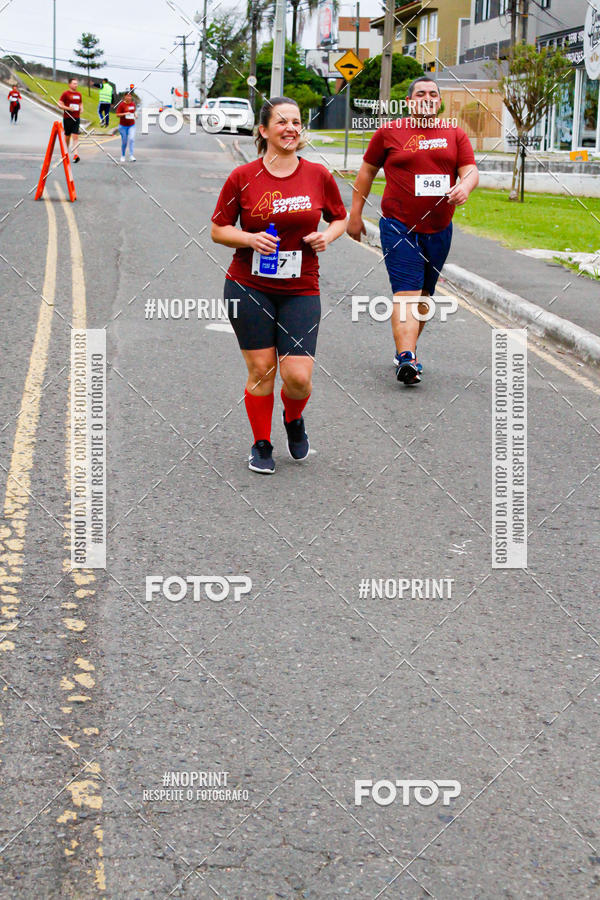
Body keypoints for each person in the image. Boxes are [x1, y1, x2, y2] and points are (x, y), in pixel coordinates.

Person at [211, 96, 347, 474]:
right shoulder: (243, 176)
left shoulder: (318, 175)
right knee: (262, 370)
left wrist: (328, 237)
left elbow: (340, 217)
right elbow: (218, 230)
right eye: (282, 121)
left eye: (297, 122)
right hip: (248, 285)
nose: (291, 128)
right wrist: (249, 239)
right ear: (264, 130)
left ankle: (293, 417)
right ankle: (261, 443)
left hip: (301, 287)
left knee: (298, 378)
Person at [347, 76, 479, 385]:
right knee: (406, 292)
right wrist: (355, 214)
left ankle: (407, 350)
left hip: (439, 229)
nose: (428, 97)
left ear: (439, 101)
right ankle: (406, 358)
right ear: (409, 101)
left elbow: (470, 170)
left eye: (433, 93)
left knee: (424, 296)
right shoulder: (389, 132)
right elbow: (367, 170)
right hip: (398, 225)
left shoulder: (454, 134)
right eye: (421, 93)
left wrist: (466, 187)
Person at [57, 77, 83, 163]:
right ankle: (65, 153)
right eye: (74, 83)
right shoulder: (65, 94)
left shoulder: (79, 94)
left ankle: (76, 155)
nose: (76, 85)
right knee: (67, 137)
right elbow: (59, 104)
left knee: (75, 136)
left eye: (76, 83)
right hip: (68, 118)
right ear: (69, 84)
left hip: (76, 118)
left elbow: (80, 102)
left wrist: (81, 108)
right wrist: (68, 108)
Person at [115, 92, 137, 161]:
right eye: (127, 96)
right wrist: (125, 114)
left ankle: (131, 156)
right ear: (124, 97)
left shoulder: (133, 104)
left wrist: (135, 115)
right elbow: (117, 115)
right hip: (123, 126)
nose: (129, 97)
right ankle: (123, 155)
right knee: (124, 141)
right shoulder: (121, 105)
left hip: (131, 125)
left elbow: (134, 111)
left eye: (130, 96)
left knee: (131, 139)